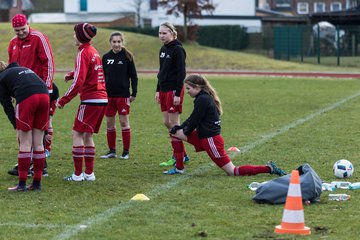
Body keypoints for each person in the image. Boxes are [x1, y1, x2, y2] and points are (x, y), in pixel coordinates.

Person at [166, 74, 286, 176]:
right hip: (203, 136)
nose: (187, 92)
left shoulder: (203, 99)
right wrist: (180, 128)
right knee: (174, 133)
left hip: (211, 140)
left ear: (197, 87)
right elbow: (193, 117)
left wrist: (185, 131)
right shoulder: (202, 97)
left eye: (188, 89)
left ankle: (269, 168)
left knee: (233, 171)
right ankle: (179, 168)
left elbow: (194, 120)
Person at [56, 23, 107, 181]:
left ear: (80, 36)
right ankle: (89, 174)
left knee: (77, 133)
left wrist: (63, 100)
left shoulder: (82, 52)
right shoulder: (93, 51)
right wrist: (72, 73)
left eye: (74, 34)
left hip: (90, 100)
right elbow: (89, 71)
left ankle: (78, 175)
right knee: (87, 135)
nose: (73, 36)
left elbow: (79, 82)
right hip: (102, 99)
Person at [7, 13, 55, 176]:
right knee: (24, 129)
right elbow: (12, 67)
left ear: (28, 25)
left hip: (38, 90)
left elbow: (48, 62)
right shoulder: (13, 43)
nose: (20, 33)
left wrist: (47, 87)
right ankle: (31, 164)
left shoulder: (39, 38)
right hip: (21, 92)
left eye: (22, 29)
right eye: (16, 30)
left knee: (36, 130)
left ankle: (37, 166)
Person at [0, 61, 49, 191]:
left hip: (27, 97)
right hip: (45, 95)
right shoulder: (21, 68)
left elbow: (7, 105)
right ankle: (37, 183)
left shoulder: (1, 78)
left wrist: (16, 126)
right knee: (38, 143)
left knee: (25, 143)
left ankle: (21, 185)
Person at [155, 22, 190, 168]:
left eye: (165, 33)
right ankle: (183, 154)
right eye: (160, 33)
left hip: (173, 90)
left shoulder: (178, 49)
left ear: (172, 33)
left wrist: (177, 93)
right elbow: (161, 71)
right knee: (167, 122)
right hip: (163, 90)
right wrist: (158, 89)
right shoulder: (163, 49)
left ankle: (178, 158)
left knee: (175, 124)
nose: (162, 36)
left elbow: (181, 73)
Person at [100, 31, 138, 159]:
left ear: (122, 42)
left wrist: (134, 93)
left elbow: (134, 76)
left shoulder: (128, 57)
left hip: (123, 95)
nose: (116, 44)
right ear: (110, 43)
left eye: (119, 42)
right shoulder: (105, 57)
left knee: (123, 122)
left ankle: (126, 152)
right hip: (108, 96)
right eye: (114, 42)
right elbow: (102, 77)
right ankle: (112, 151)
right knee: (109, 124)